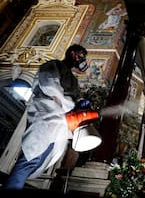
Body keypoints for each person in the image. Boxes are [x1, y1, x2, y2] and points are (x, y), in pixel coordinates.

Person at [3, 44, 89, 190]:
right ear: (73, 54)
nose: (82, 60)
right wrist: (69, 104)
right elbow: (50, 86)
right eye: (81, 56)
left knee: (43, 157)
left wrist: (81, 102)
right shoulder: (53, 65)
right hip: (45, 113)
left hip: (60, 122)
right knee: (31, 156)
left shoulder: (74, 80)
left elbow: (76, 97)